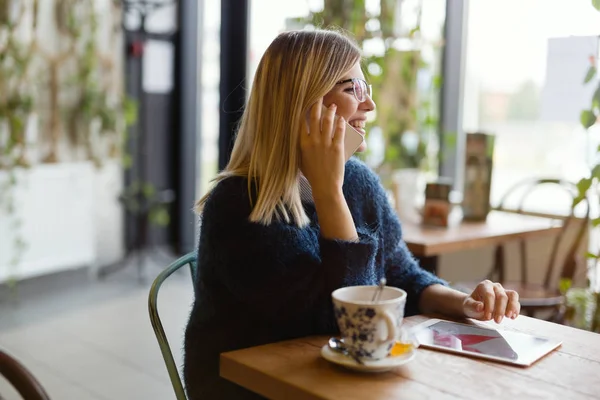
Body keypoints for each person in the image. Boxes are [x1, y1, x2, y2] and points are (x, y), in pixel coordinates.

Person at [183, 29, 520, 399]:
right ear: (303, 102)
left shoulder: (358, 181)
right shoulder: (238, 205)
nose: (369, 105)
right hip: (252, 389)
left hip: (337, 380)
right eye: (352, 89)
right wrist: (329, 192)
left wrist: (465, 303)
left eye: (367, 88)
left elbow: (401, 273)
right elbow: (344, 325)